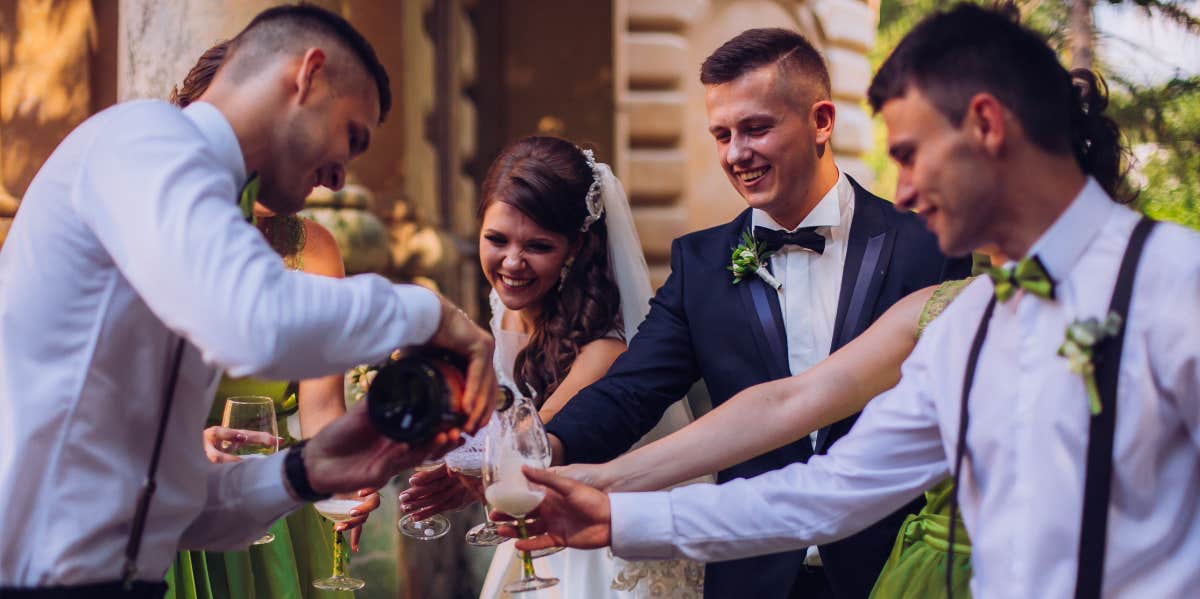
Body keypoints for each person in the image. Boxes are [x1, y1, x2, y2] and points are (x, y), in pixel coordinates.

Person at [500, 5, 1200, 598]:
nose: (904, 192)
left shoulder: (1179, 283)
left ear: (985, 126)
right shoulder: (961, 323)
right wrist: (614, 512)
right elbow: (826, 481)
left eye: (910, 153)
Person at [0, 5, 497, 596]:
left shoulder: (202, 236)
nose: (341, 179)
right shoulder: (143, 137)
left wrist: (307, 471)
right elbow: (257, 326)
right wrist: (428, 314)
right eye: (351, 137)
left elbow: (176, 512)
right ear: (307, 75)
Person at [541, 27, 969, 599]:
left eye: (756, 128)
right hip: (751, 571)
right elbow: (630, 391)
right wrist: (544, 453)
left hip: (890, 570)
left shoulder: (930, 247)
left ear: (821, 121)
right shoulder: (699, 263)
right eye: (721, 134)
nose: (735, 153)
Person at [401, 136, 703, 597]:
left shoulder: (606, 349)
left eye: (538, 246)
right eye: (496, 239)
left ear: (576, 248)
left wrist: (465, 457)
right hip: (534, 525)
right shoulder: (503, 310)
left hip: (605, 555)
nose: (512, 263)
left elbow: (531, 444)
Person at [161, 42, 377, 599]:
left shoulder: (316, 250)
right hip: (163, 510)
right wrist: (180, 451)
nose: (328, 178)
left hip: (265, 518)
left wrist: (347, 470)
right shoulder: (157, 233)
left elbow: (322, 407)